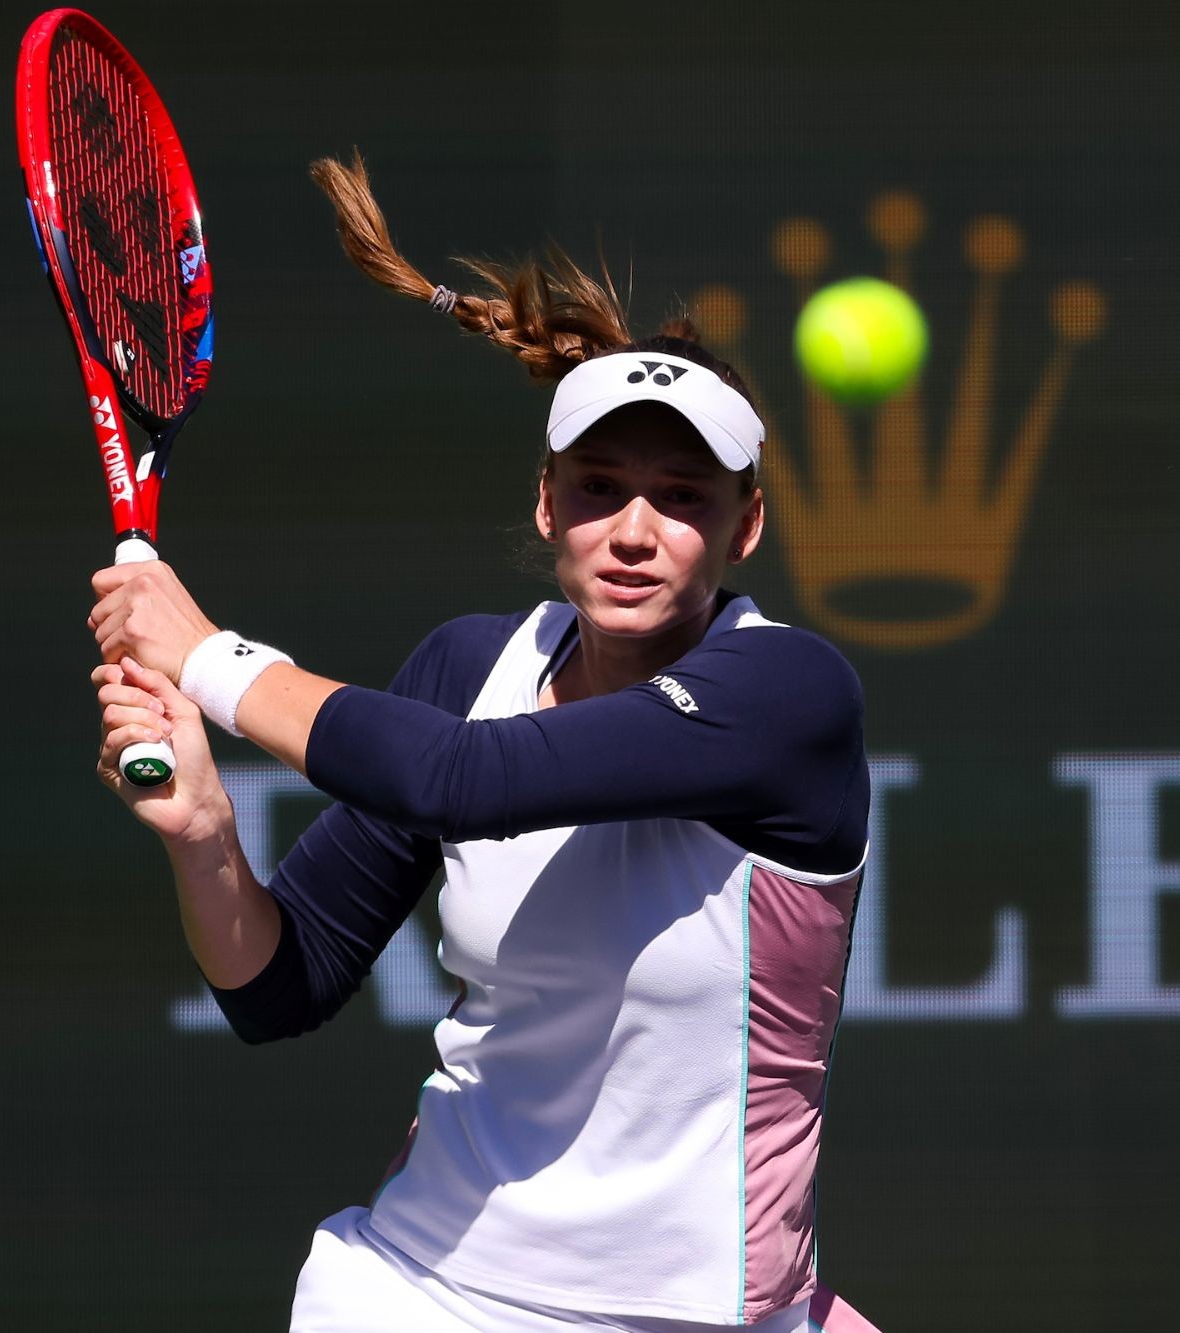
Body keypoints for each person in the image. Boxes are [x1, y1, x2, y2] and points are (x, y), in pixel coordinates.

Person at [86, 154, 883, 1333]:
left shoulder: (787, 693)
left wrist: (208, 657)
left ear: (745, 525)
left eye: (682, 496)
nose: (634, 531)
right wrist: (203, 832)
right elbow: (278, 985)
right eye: (599, 487)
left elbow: (462, 781)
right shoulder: (466, 668)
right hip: (425, 1293)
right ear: (546, 502)